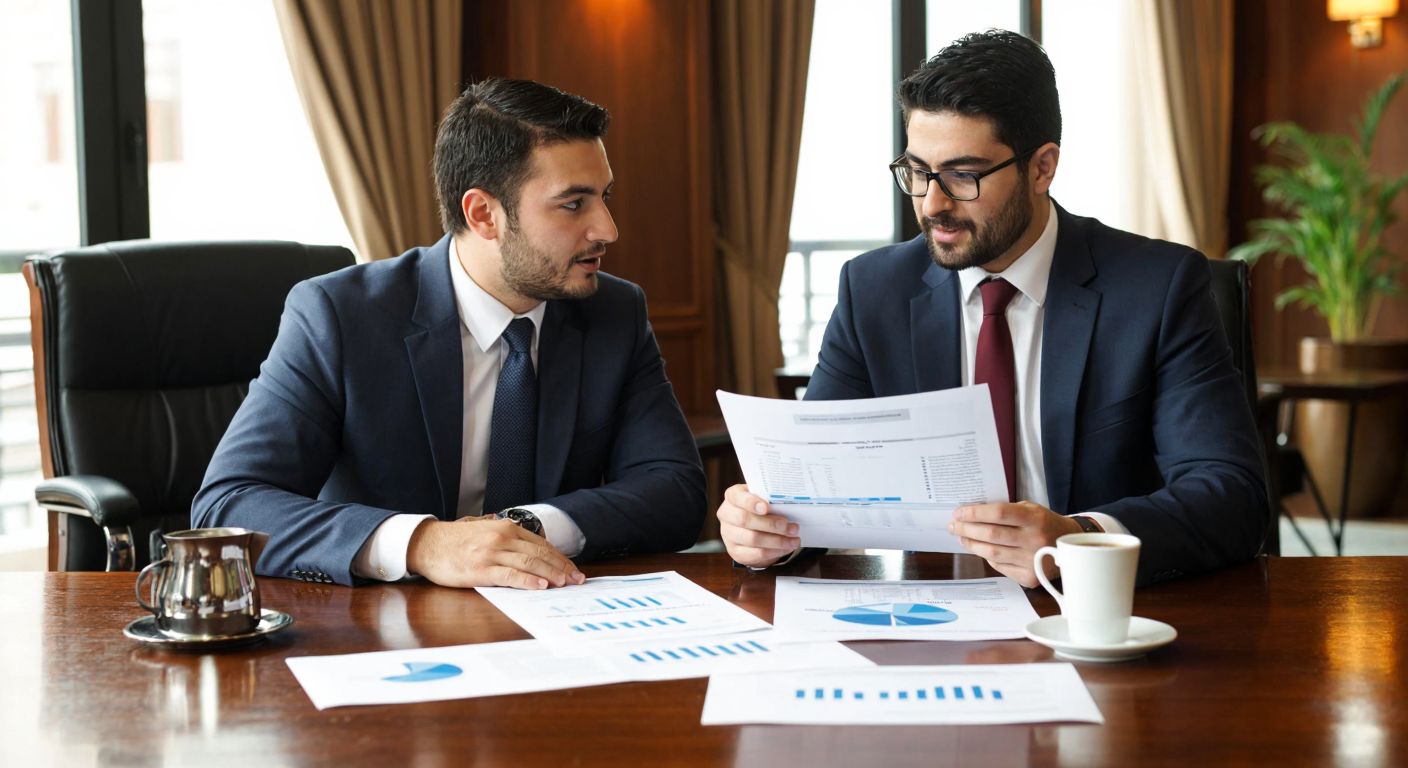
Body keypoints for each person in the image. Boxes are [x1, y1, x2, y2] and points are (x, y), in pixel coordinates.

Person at [717, 30, 1267, 587]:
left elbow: (1232, 496)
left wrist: (1077, 541)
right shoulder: (872, 289)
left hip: (1099, 617)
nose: (933, 204)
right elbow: (815, 492)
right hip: (929, 612)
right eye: (917, 172)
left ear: (1042, 168)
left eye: (963, 175)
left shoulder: (1158, 287)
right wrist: (766, 534)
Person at [194, 78, 705, 589]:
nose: (607, 229)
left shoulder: (614, 312)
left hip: (556, 617)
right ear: (483, 214)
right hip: (382, 635)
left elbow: (675, 490)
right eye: (574, 204)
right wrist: (422, 543)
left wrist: (524, 530)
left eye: (603, 197)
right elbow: (228, 505)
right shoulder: (339, 315)